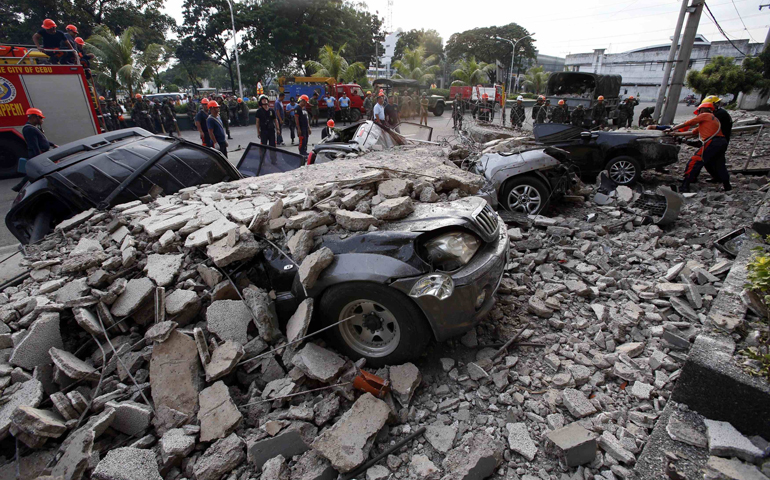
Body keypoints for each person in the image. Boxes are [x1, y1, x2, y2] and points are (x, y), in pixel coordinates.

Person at [665, 102, 731, 193]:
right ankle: (727, 186)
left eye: (699, 111)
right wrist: (676, 134)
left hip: (712, 142)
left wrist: (671, 129)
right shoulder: (713, 119)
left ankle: (685, 185)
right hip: (721, 142)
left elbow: (689, 123)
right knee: (720, 164)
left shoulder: (705, 115)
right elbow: (693, 132)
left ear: (702, 109)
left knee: (695, 161)